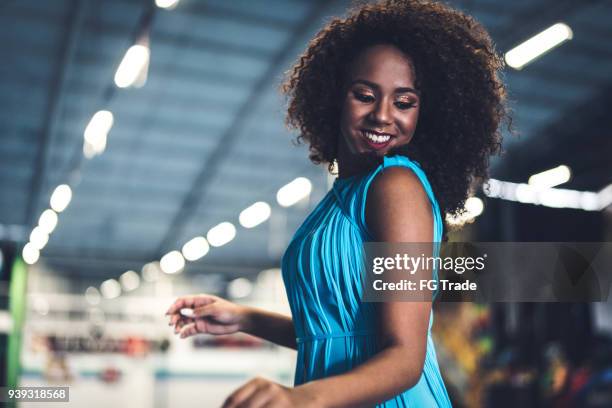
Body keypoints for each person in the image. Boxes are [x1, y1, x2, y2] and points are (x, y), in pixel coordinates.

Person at [166, 0, 507, 406]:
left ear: (426, 112)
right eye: (365, 95)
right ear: (333, 96)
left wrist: (299, 400)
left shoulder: (396, 186)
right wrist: (245, 318)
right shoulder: (343, 196)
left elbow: (404, 358)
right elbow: (334, 335)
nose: (382, 116)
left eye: (404, 102)